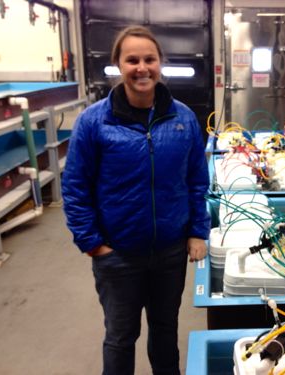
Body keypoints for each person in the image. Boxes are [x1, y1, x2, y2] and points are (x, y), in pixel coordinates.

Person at [62, 25, 210, 375]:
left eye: (149, 59)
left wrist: (197, 231)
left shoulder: (183, 118)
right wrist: (92, 243)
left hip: (170, 252)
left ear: (160, 63)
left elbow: (196, 179)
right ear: (118, 65)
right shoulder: (94, 122)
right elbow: (75, 187)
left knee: (164, 331)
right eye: (132, 60)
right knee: (120, 336)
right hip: (118, 254)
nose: (141, 68)